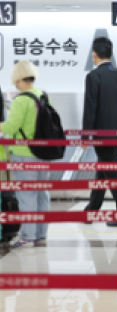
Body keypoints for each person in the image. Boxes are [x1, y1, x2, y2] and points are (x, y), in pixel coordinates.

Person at [82, 37, 117, 226]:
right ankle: (92, 210)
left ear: (94, 54)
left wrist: (85, 135)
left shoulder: (93, 77)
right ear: (111, 54)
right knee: (105, 168)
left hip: (101, 135)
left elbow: (90, 108)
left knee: (111, 169)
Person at [0, 61, 51, 247]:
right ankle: (40, 234)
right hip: (43, 152)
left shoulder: (20, 100)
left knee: (26, 195)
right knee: (41, 193)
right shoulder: (43, 96)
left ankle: (27, 236)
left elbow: (12, 126)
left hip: (23, 152)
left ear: (18, 78)